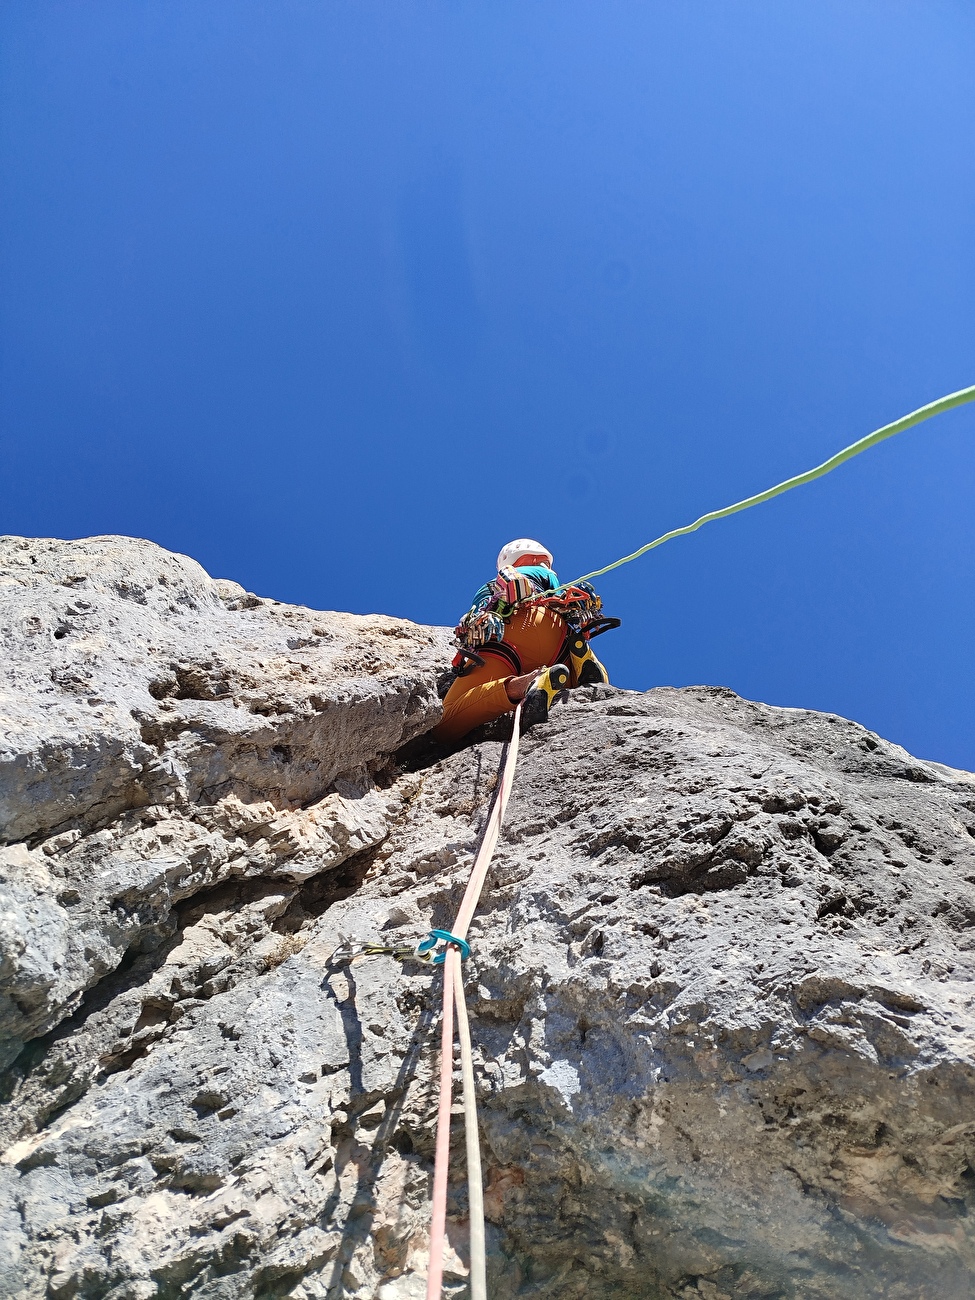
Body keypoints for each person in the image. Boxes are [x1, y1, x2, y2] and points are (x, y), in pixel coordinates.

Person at [432, 538, 614, 745]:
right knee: (575, 676)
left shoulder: (503, 580)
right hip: (558, 636)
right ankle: (581, 662)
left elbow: (482, 606)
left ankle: (524, 685)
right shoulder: (551, 579)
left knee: (445, 723)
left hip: (510, 636)